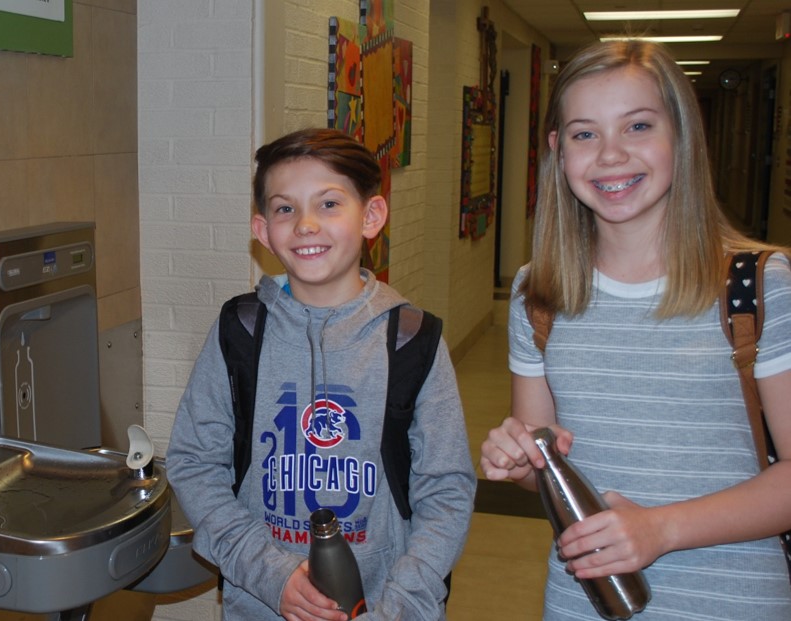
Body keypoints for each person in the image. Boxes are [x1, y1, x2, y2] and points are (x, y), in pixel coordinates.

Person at [480, 38, 791, 619]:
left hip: (733, 601)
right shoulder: (539, 294)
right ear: (558, 150)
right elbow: (545, 464)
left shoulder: (760, 287)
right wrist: (524, 464)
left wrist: (659, 529)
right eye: (584, 134)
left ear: (682, 136)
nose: (610, 155)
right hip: (584, 602)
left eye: (638, 126)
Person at [166, 128, 476, 621]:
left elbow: (446, 489)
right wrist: (271, 574)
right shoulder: (240, 332)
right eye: (285, 208)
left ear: (371, 217)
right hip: (264, 606)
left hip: (387, 605)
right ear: (263, 230)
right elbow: (194, 463)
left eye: (329, 204)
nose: (306, 224)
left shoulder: (413, 340)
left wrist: (398, 606)